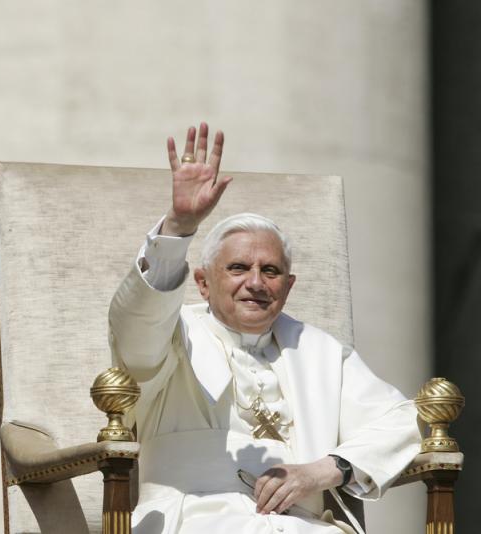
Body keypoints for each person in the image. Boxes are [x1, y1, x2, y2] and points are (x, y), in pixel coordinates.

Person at [108, 123, 421, 534]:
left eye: (270, 271)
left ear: (288, 287)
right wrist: (178, 228)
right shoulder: (171, 333)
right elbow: (135, 325)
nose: (255, 282)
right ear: (203, 282)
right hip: (191, 520)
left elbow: (404, 420)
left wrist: (327, 470)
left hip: (301, 524)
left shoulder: (320, 351)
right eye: (238, 268)